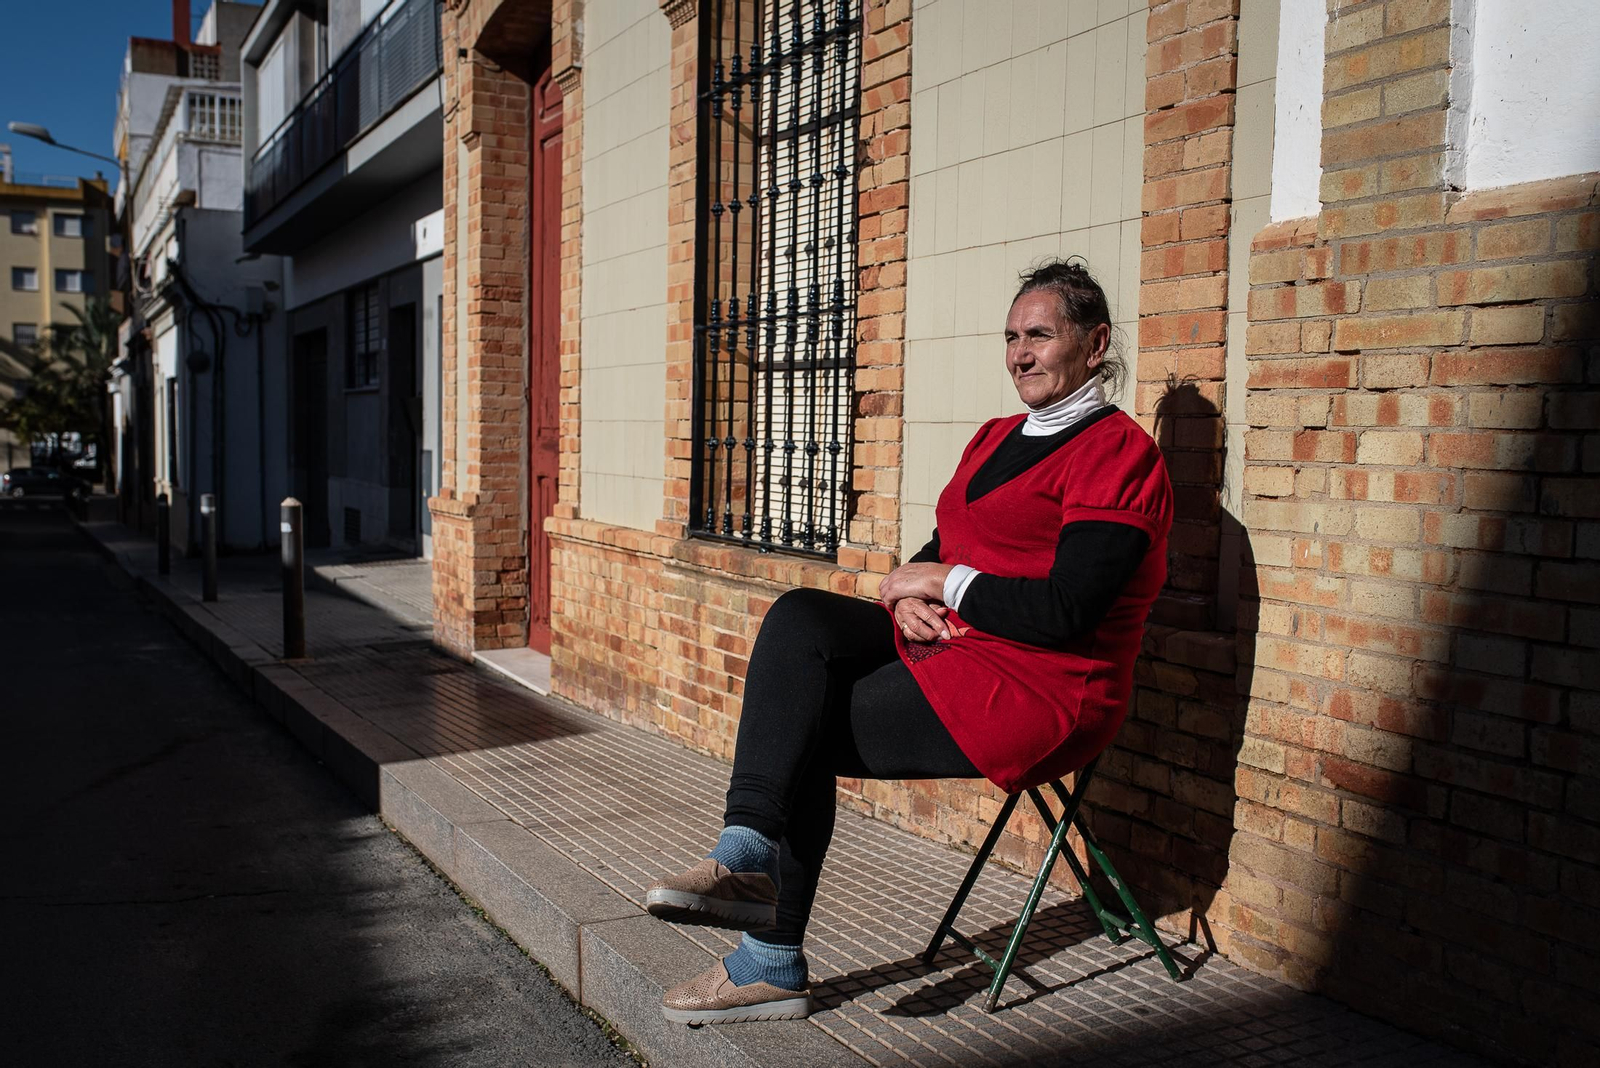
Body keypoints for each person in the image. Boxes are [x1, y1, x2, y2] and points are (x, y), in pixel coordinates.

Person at [644, 258, 1173, 1026]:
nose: (1020, 353)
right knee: (799, 617)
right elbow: (937, 554)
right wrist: (903, 600)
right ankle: (746, 853)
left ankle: (770, 960)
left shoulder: (1119, 456)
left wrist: (945, 586)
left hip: (1043, 687)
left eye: (1041, 335)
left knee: (809, 724)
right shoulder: (995, 439)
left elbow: (1068, 610)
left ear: (1095, 346)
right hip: (956, 647)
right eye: (1012, 336)